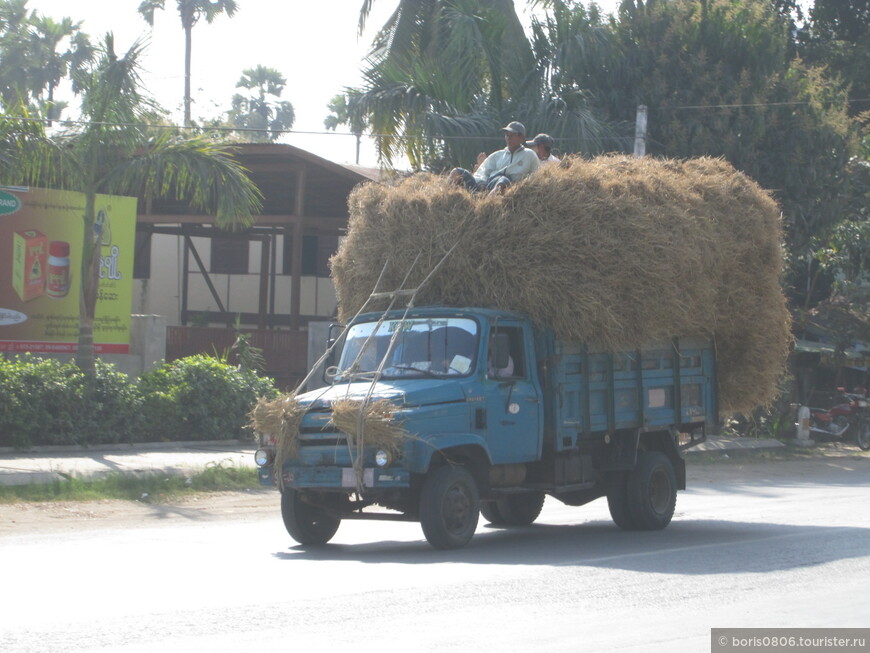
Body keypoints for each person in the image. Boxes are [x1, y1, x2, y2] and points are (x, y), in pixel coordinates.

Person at [449, 121, 540, 195]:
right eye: (507, 135)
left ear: (522, 138)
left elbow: (536, 177)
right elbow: (482, 171)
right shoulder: (497, 155)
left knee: (503, 181)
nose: (508, 138)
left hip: (508, 188)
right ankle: (445, 198)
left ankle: (485, 205)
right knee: (457, 171)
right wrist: (481, 183)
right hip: (487, 185)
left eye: (512, 135)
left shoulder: (529, 155)